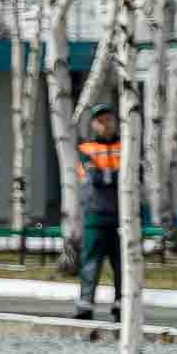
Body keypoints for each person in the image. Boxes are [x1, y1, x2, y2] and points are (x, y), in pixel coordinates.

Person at [74, 104, 122, 321]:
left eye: (108, 119)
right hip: (95, 214)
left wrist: (110, 176)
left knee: (122, 263)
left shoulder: (127, 146)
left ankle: (122, 304)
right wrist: (114, 176)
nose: (105, 124)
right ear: (93, 124)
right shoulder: (86, 149)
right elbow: (95, 179)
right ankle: (85, 305)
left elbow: (135, 175)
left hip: (123, 216)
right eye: (100, 121)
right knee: (91, 262)